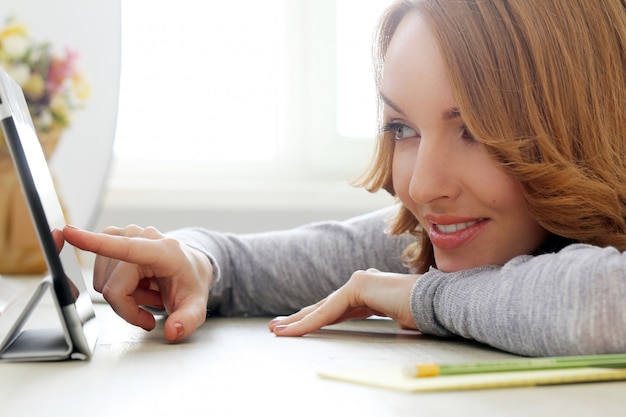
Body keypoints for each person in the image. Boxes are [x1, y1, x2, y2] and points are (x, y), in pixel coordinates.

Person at [63, 0, 626, 357]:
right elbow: (244, 263)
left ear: (581, 120)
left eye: (473, 130)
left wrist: (422, 300)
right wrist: (191, 260)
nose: (423, 185)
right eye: (402, 128)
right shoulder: (444, 237)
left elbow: (604, 300)